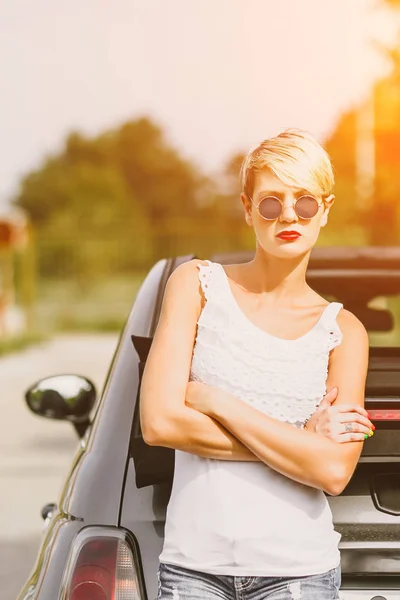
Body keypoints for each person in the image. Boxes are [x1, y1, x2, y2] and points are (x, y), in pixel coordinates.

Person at [140, 129, 372, 600]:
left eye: (305, 202)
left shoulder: (345, 332)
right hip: (192, 570)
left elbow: (333, 473)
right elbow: (160, 423)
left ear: (325, 209)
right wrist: (301, 445)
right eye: (271, 203)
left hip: (300, 575)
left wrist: (213, 400)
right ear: (248, 209)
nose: (289, 215)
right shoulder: (196, 286)